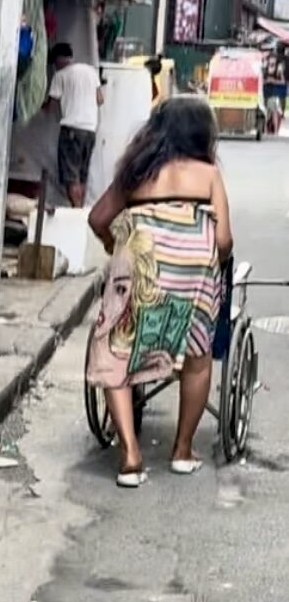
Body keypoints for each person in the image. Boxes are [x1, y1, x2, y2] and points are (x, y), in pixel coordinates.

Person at [87, 96, 232, 486]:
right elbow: (223, 241)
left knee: (116, 352)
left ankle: (130, 454)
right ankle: (182, 451)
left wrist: (111, 244)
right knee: (199, 358)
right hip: (192, 282)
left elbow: (98, 218)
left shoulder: (136, 171)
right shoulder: (208, 175)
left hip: (138, 272)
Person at [48, 43, 103, 209]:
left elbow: (51, 104)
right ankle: (80, 213)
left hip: (71, 129)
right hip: (90, 130)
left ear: (58, 60)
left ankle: (76, 211)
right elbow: (100, 99)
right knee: (82, 175)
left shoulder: (60, 75)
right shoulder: (91, 71)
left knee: (71, 176)